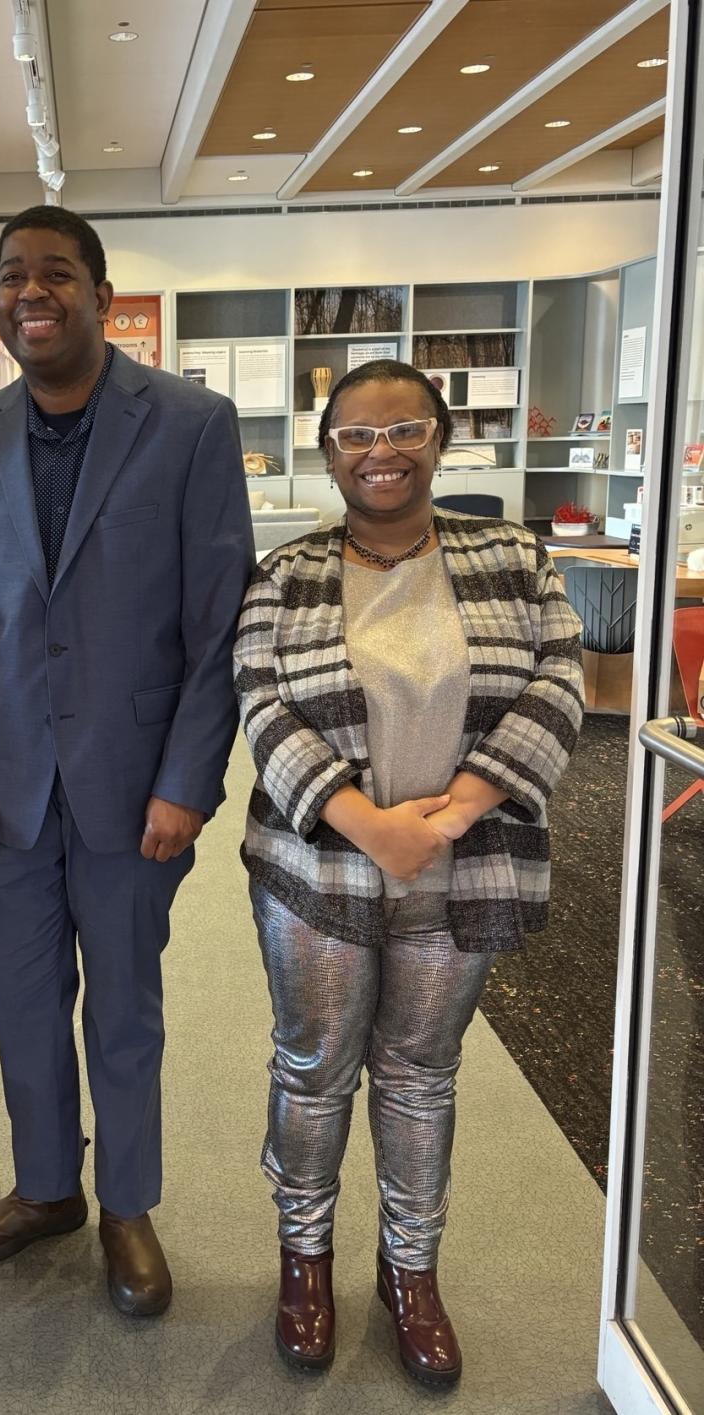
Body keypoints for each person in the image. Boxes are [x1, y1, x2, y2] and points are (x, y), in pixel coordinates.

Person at [0, 206, 253, 1316]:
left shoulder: (193, 425)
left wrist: (186, 782)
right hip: (7, 789)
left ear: (102, 296)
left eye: (55, 273)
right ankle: (47, 1186)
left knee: (123, 1003)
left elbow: (219, 625)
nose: (31, 292)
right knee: (21, 1002)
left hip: (133, 786)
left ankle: (126, 1203)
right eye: (12, 275)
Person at [234, 359, 583, 1384]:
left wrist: (456, 812)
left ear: (438, 435)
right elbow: (263, 704)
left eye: (402, 429)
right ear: (328, 449)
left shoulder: (514, 556)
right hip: (317, 872)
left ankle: (410, 1269)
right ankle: (305, 1258)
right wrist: (365, 823)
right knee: (313, 1068)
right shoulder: (287, 570)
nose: (380, 451)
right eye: (356, 435)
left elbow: (558, 683)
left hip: (460, 869)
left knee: (421, 1074)